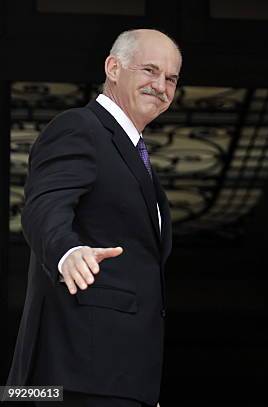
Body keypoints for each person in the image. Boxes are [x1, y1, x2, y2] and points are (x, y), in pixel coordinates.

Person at [7, 29, 180, 406]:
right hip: (73, 377)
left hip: (121, 378)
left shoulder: (136, 156)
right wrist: (68, 253)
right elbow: (43, 206)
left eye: (171, 78)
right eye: (150, 70)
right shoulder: (79, 127)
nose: (161, 85)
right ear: (113, 68)